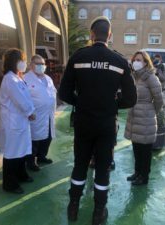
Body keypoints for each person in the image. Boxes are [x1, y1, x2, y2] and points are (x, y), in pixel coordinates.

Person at [59, 16, 137, 225]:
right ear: (110, 35)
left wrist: (82, 102)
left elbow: (64, 92)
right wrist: (111, 105)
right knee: (102, 168)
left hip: (83, 122)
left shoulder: (78, 57)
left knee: (80, 164)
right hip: (106, 124)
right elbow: (131, 98)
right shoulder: (120, 61)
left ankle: (73, 206)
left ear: (91, 35)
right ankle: (99, 212)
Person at [0, 48, 36, 194]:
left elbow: (26, 97)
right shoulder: (10, 79)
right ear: (14, 62)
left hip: (20, 121)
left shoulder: (17, 77)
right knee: (12, 153)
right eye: (22, 60)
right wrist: (30, 112)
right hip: (13, 123)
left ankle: (21, 175)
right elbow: (20, 100)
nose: (24, 63)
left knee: (21, 151)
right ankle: (9, 184)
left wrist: (29, 111)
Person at [124, 51, 163, 185]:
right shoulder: (135, 77)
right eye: (134, 59)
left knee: (145, 151)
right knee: (136, 148)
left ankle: (144, 177)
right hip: (134, 117)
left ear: (146, 62)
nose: (136, 62)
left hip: (146, 118)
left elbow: (159, 99)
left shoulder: (151, 78)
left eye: (139, 60)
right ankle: (137, 173)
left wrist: (151, 111)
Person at [24, 55, 56, 171]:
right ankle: (31, 162)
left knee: (47, 137)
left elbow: (52, 93)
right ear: (31, 65)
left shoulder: (48, 78)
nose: (41, 66)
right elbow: (23, 98)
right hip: (35, 116)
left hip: (48, 115)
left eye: (43, 64)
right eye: (38, 64)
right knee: (34, 140)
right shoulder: (26, 78)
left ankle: (42, 156)